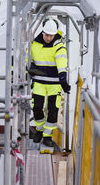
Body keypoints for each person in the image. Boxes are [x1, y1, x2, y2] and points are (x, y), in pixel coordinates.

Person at [29, 18, 70, 147]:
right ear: (42, 33)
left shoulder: (59, 46)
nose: (49, 38)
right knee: (37, 108)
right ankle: (39, 131)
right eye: (47, 35)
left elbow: (62, 62)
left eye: (51, 35)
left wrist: (63, 78)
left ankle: (47, 136)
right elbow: (26, 59)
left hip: (54, 84)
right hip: (39, 83)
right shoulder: (34, 45)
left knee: (53, 110)